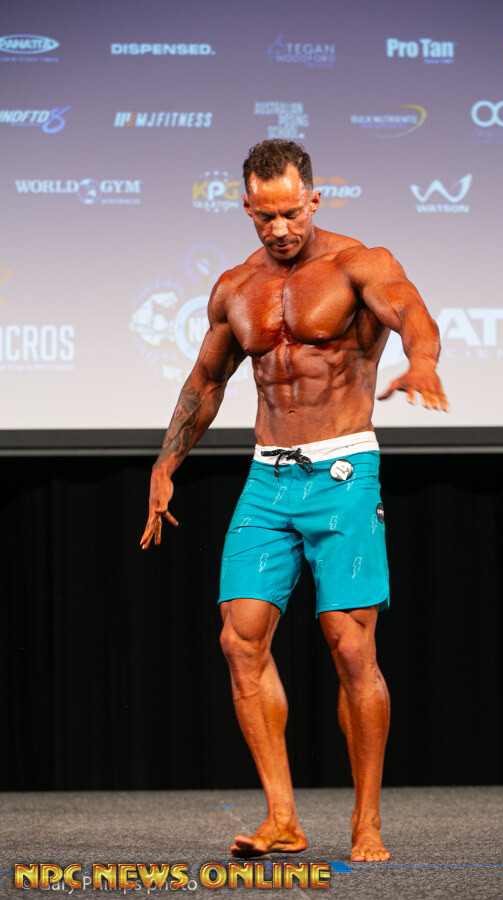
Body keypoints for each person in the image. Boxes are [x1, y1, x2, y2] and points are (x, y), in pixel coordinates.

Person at [140, 139, 447, 862]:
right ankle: (283, 818)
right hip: (267, 480)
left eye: (290, 212)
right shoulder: (235, 287)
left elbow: (414, 314)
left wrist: (423, 362)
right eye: (264, 216)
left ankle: (366, 823)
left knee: (351, 646)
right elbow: (206, 382)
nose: (279, 228)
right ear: (247, 207)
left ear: (313, 198)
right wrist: (165, 463)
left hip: (342, 473)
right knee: (238, 638)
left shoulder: (358, 264)